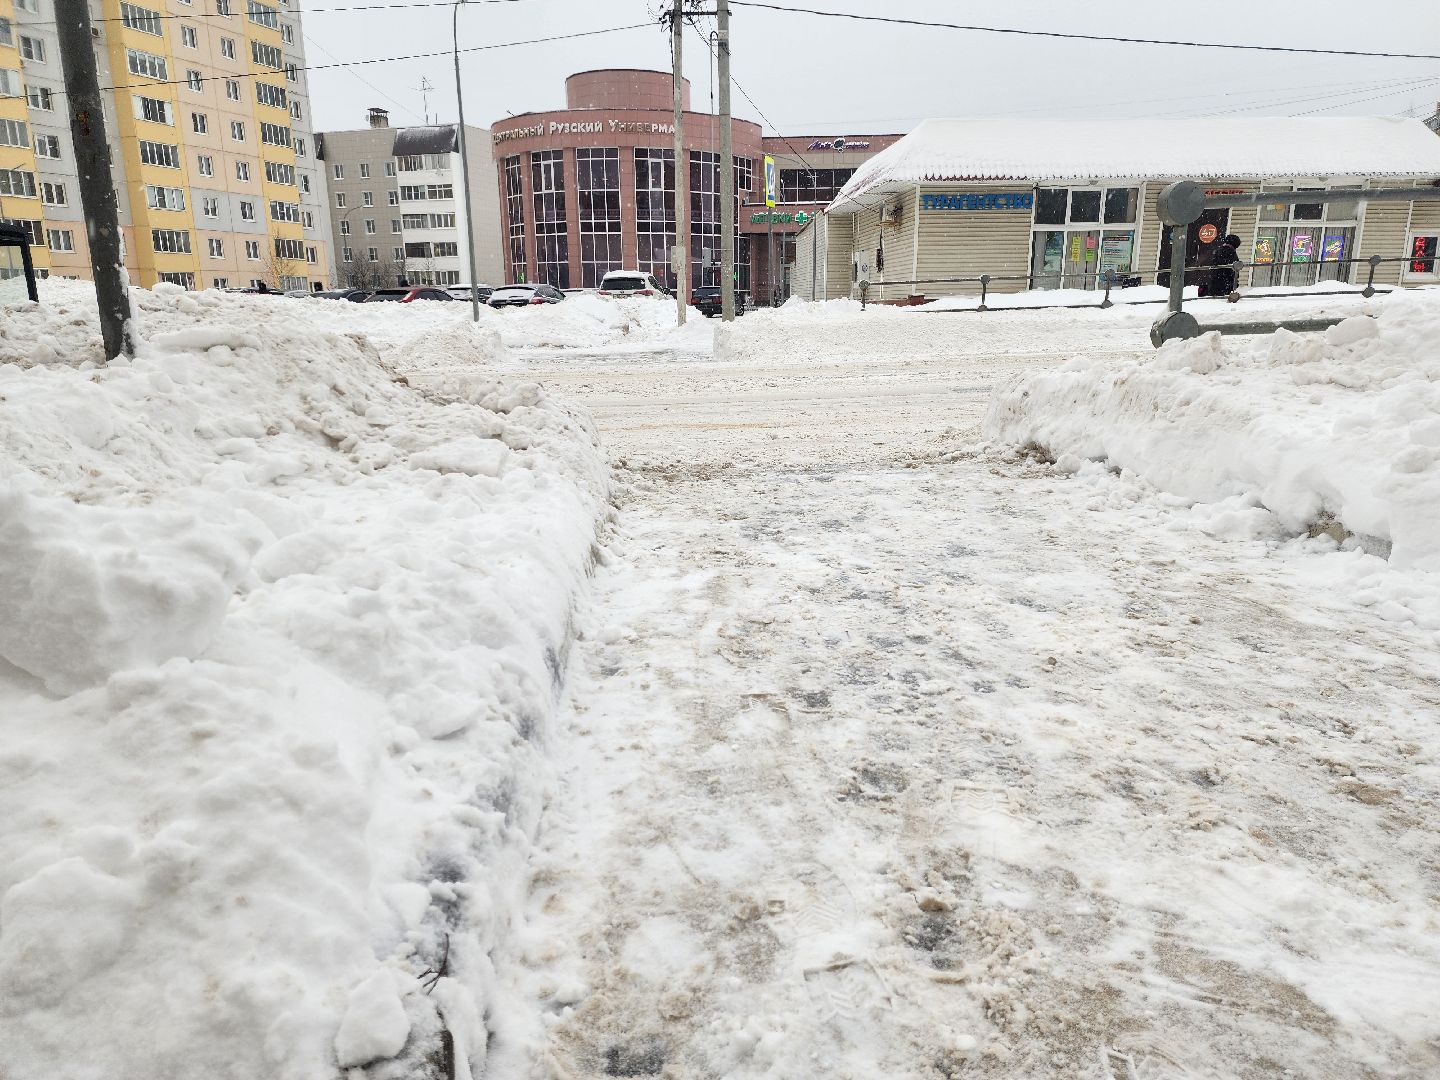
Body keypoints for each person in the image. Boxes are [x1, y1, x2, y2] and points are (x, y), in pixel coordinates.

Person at [1208, 234, 1242, 298]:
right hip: (1226, 283)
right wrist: (1234, 281)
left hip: (1215, 282)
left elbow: (1214, 263)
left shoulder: (1218, 251)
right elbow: (1233, 269)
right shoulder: (1232, 252)